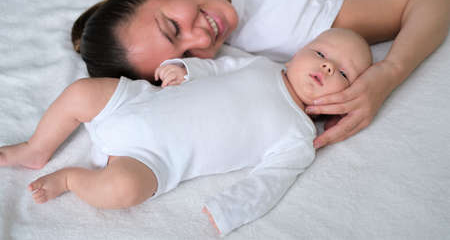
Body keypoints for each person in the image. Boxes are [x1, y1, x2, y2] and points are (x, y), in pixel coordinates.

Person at [71, 0, 450, 149]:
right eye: (187, 56)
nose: (201, 38)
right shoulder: (288, 30)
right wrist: (390, 73)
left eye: (173, 27)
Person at [0, 28, 372, 236]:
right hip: (136, 103)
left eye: (342, 74)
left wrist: (231, 209)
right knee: (81, 92)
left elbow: (271, 181)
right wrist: (183, 70)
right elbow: (217, 68)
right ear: (299, 51)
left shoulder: (298, 136)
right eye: (322, 53)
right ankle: (36, 148)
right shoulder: (261, 66)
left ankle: (71, 179)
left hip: (153, 160)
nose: (326, 67)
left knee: (122, 190)